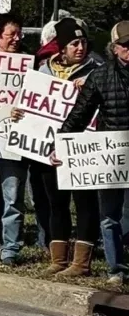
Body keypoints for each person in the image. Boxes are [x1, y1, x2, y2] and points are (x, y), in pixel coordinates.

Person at [19, 17, 102, 276]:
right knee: (57, 203)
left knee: (85, 204)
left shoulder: (98, 70)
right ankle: (58, 259)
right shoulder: (43, 72)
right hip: (48, 150)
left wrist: (91, 86)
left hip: (83, 150)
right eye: (74, 44)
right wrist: (19, 114)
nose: (80, 48)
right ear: (62, 48)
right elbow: (29, 103)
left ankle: (81, 263)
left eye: (83, 43)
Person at [58, 20, 129, 287]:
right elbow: (79, 115)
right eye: (125, 45)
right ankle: (116, 269)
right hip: (110, 156)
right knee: (109, 216)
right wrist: (60, 145)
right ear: (114, 47)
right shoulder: (100, 77)